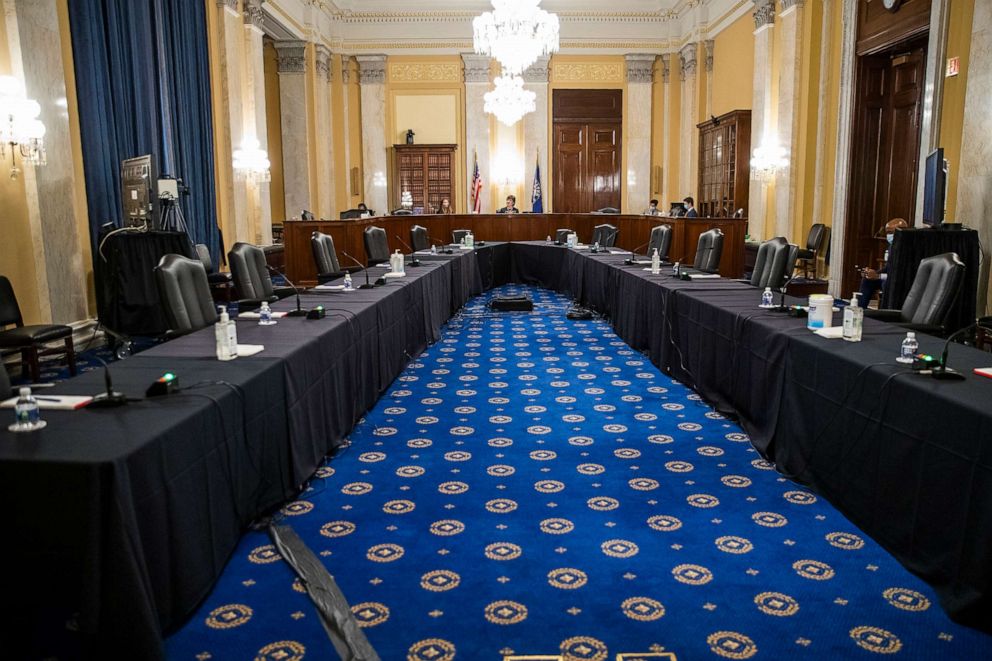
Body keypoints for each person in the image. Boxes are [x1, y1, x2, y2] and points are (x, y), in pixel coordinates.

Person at [857, 217, 908, 308]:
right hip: (888, 277)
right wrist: (873, 273)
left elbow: (900, 274)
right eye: (887, 232)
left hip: (900, 281)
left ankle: (884, 312)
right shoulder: (892, 246)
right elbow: (888, 268)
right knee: (868, 280)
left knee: (886, 283)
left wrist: (879, 276)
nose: (888, 235)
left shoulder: (908, 249)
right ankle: (860, 309)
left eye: (891, 232)